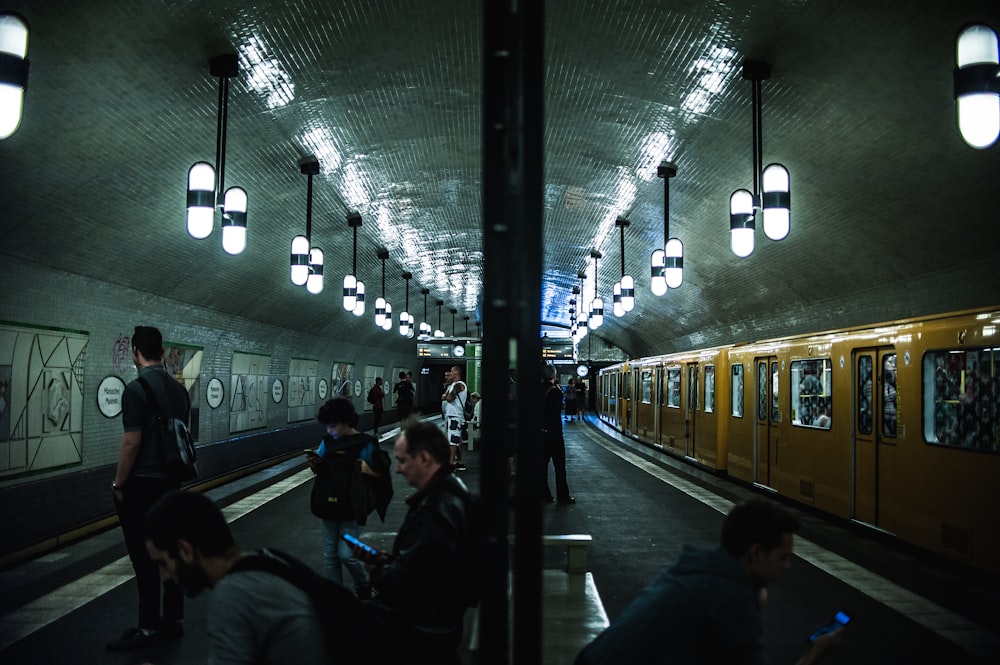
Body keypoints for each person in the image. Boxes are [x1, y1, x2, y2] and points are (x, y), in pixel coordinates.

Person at [575, 499, 845, 665]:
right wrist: (813, 656)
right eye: (782, 557)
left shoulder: (698, 571)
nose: (787, 567)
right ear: (754, 553)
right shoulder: (730, 598)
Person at [143, 490, 329, 664]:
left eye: (163, 563)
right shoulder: (270, 559)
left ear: (185, 551)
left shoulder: (233, 594)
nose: (165, 576)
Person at [351, 420, 477, 664]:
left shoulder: (434, 511)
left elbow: (404, 581)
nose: (397, 469)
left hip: (421, 629)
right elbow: (425, 562)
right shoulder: (452, 492)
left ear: (425, 458)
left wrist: (376, 569)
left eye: (402, 460)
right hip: (442, 622)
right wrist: (390, 560)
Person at [107, 325, 190, 652]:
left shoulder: (136, 389)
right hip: (172, 482)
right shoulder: (179, 390)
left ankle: (147, 626)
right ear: (161, 350)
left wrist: (118, 483)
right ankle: (172, 619)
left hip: (142, 485)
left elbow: (131, 443)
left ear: (135, 352)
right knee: (168, 551)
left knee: (144, 558)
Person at [306, 398, 385, 599]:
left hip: (353, 506)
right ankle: (336, 596)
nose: (330, 430)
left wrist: (368, 469)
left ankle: (363, 584)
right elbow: (321, 467)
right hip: (328, 503)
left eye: (333, 426)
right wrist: (315, 463)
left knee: (346, 554)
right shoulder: (327, 442)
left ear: (346, 422)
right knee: (330, 555)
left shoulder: (366, 444)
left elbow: (380, 473)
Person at [541, 365, 575, 505]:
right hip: (554, 435)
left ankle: (545, 495)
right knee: (559, 467)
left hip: (540, 435)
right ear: (554, 376)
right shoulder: (556, 392)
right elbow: (556, 412)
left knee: (541, 467)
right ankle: (563, 496)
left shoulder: (535, 390)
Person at [441, 365, 468, 470]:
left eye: (451, 372)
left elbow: (448, 398)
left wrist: (447, 395)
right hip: (451, 416)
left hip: (455, 416)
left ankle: (450, 463)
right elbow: (444, 397)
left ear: (456, 373)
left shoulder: (460, 385)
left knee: (452, 441)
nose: (449, 374)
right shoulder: (452, 385)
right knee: (457, 440)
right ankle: (460, 462)